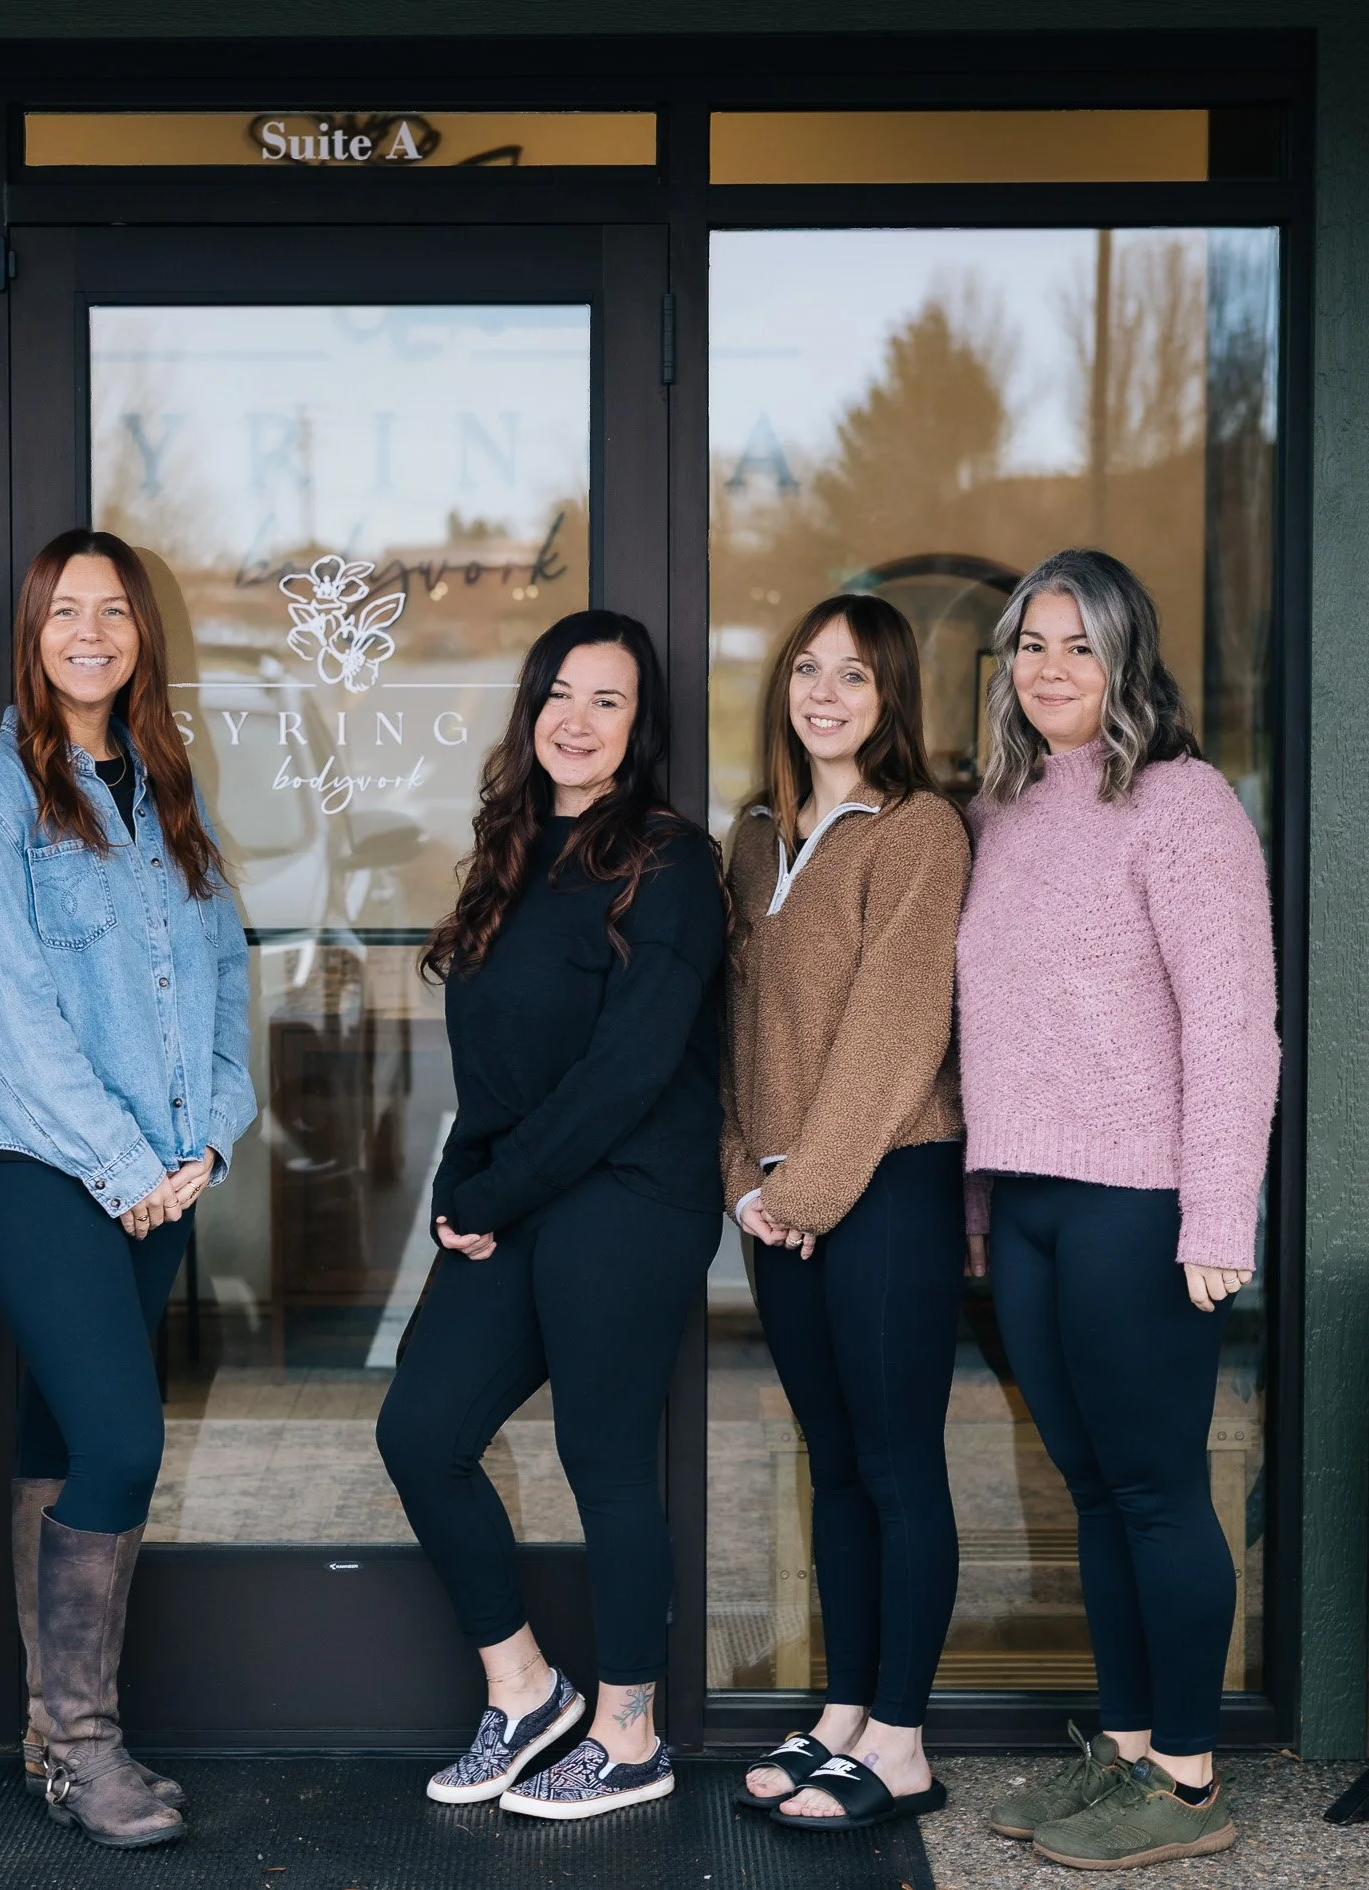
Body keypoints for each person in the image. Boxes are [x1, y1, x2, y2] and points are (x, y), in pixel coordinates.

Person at [0, 527, 255, 1850]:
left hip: (161, 1178)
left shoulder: (173, 787)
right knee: (124, 1440)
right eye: (66, 611)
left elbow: (229, 978)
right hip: (39, 1164)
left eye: (112, 611)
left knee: (67, 1440)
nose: (89, 632)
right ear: (33, 631)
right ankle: (90, 1742)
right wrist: (124, 1165)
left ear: (141, 634)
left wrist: (211, 1140)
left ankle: (47, 1742)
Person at [375, 610, 726, 1822]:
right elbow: (496, 1071)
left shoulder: (672, 864)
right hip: (521, 1195)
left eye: (607, 701)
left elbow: (626, 1074)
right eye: (558, 695)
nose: (575, 721)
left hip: (629, 1197)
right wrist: (453, 1196)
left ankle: (629, 1739)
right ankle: (523, 1691)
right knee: (419, 1433)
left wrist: (491, 1192)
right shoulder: (512, 851)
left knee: (602, 1461)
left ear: (643, 728)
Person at [959, 549, 1277, 1871]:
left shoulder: (1185, 804)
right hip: (1027, 1199)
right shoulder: (1002, 809)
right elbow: (994, 1028)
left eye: (1079, 645)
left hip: (1138, 1201)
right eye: (1032, 643)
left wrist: (1218, 1217)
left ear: (1128, 658)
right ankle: (1132, 1751)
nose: (1050, 668)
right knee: (1093, 1490)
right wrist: (981, 1206)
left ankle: (1193, 1782)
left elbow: (1236, 1022)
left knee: (1155, 1490)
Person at [723, 594, 969, 1833]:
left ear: (890, 700)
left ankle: (903, 1743)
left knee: (892, 1464)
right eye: (808, 669)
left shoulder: (918, 831)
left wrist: (808, 1188)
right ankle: (845, 1711)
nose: (825, 692)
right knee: (833, 1465)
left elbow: (895, 1029)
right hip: (778, 1201)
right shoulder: (754, 835)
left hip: (885, 1186)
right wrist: (746, 1186)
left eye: (855, 676)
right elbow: (732, 1034)